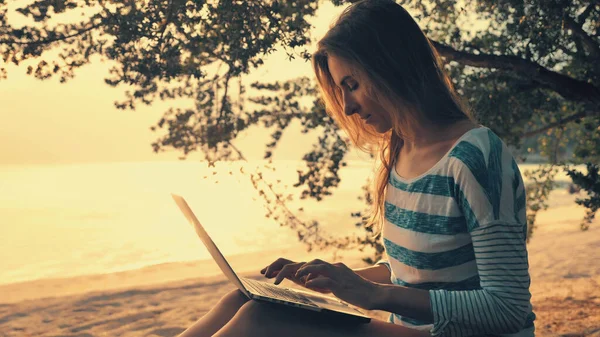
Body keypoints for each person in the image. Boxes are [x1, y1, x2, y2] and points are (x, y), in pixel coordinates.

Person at [177, 0, 536, 336]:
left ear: (393, 67)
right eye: (340, 90)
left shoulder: (476, 157)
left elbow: (508, 308)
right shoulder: (397, 153)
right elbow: (411, 274)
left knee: (260, 319)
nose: (347, 107)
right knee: (243, 299)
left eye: (352, 85)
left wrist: (374, 295)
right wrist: (326, 279)